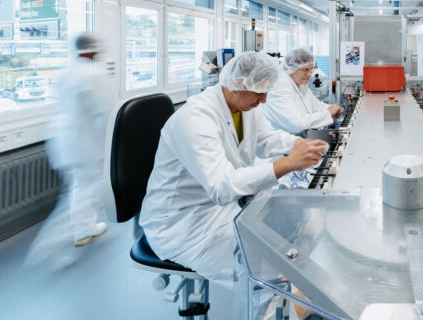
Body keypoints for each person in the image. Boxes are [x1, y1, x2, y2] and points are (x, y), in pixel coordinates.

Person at [139, 52, 328, 284]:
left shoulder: (244, 106)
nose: (265, 100)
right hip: (184, 224)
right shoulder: (195, 118)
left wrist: (297, 144)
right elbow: (221, 186)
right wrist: (287, 164)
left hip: (223, 208)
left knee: (291, 236)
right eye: (260, 93)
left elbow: (265, 138)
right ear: (238, 83)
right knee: (268, 271)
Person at [47, 33, 112, 247]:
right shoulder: (93, 74)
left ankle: (84, 227)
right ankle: (71, 233)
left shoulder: (66, 73)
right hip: (86, 143)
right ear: (91, 49)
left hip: (65, 140)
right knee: (87, 188)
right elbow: (104, 111)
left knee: (80, 187)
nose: (100, 52)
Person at [262, 48, 344, 135]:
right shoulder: (280, 88)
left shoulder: (301, 84)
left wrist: (332, 110)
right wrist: (328, 113)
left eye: (311, 69)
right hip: (280, 144)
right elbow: (296, 124)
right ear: (292, 68)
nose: (309, 74)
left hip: (299, 139)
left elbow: (314, 105)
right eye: (305, 70)